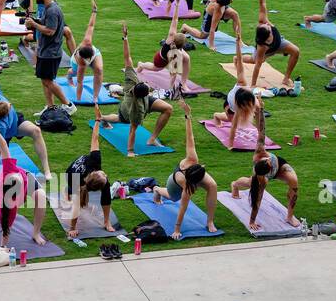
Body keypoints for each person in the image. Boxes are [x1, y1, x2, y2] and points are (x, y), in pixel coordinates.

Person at [99, 23, 175, 156]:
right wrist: (130, 151)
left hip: (145, 101)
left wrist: (125, 38)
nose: (146, 83)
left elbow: (127, 58)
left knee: (168, 109)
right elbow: (132, 131)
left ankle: (152, 139)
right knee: (119, 119)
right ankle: (102, 118)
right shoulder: (137, 111)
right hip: (127, 110)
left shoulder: (132, 80)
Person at [0, 39, 51, 179]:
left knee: (36, 130)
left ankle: (47, 171)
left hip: (15, 122)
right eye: (9, 105)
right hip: (1, 133)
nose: (10, 103)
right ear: (5, 113)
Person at [229, 101, 302, 230]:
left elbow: (262, 130)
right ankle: (235, 184)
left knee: (294, 182)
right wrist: (252, 221)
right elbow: (257, 201)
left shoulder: (260, 150)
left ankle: (290, 216)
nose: (269, 159)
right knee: (248, 183)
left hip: (280, 167)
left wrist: (261, 110)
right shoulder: (261, 180)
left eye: (268, 160)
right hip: (262, 176)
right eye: (268, 161)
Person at [152, 101, 219, 240]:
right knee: (172, 198)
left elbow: (190, 138)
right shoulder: (185, 184)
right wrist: (177, 229)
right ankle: (157, 190)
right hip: (175, 183)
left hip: (192, 175)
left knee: (212, 185)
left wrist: (188, 115)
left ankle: (210, 221)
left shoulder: (192, 159)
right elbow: (183, 206)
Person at [65, 107, 115, 239]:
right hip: (71, 175)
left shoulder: (95, 160)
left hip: (84, 174)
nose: (106, 174)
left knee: (107, 187)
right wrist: (72, 228)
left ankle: (106, 221)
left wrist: (97, 121)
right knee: (76, 199)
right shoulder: (77, 181)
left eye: (103, 174)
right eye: (104, 175)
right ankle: (68, 190)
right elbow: (76, 208)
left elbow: (95, 139)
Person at [24, 0, 72, 115]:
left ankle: (68, 104)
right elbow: (47, 24)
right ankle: (50, 106)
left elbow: (50, 31)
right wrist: (35, 22)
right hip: (47, 50)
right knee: (45, 80)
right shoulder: (50, 7)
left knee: (47, 80)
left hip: (50, 52)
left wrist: (34, 24)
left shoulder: (52, 10)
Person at [250, 0, 301, 91]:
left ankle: (286, 78)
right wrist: (253, 85)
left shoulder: (263, 21)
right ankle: (238, 59)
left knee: (295, 51)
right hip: (268, 51)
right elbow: (258, 66)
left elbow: (262, 2)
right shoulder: (262, 47)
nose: (268, 25)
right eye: (268, 28)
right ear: (267, 36)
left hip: (280, 43)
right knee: (254, 61)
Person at [62, 0, 103, 105]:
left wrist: (94, 11)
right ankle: (69, 76)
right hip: (76, 63)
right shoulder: (81, 62)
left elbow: (91, 26)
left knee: (99, 70)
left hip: (94, 54)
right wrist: (79, 100)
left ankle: (95, 97)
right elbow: (80, 82)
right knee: (73, 73)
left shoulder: (87, 41)